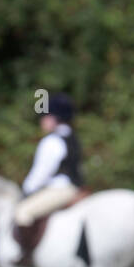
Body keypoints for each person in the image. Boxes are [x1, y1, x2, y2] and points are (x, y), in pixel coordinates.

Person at [14, 93, 85, 228]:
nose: (42, 120)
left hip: (60, 189)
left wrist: (26, 190)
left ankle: (27, 250)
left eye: (45, 116)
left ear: (55, 117)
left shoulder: (52, 141)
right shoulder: (73, 138)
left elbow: (41, 173)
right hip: (77, 188)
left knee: (21, 211)